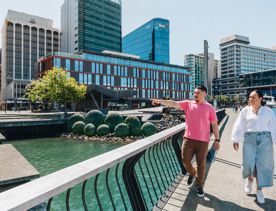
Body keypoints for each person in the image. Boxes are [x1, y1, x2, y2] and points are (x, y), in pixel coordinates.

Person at [152, 85, 220, 197]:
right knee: (185, 161)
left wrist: (217, 139)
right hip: (188, 139)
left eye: (197, 92)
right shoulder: (188, 103)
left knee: (201, 165)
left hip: (203, 141)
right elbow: (174, 103)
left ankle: (199, 186)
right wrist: (160, 101)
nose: (195, 94)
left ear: (204, 93)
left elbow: (214, 124)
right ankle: (193, 173)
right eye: (194, 92)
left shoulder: (209, 107)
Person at [231, 90, 276, 204]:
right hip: (249, 139)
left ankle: (259, 190)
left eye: (253, 97)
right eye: (250, 97)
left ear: (260, 98)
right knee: (248, 163)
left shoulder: (268, 111)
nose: (250, 99)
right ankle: (250, 178)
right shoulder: (245, 111)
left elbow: (273, 126)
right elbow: (239, 124)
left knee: (263, 165)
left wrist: (274, 140)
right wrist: (236, 139)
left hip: (265, 140)